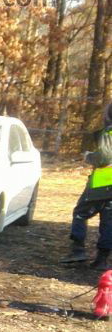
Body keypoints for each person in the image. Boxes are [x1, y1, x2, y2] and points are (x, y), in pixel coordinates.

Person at [62, 102, 112, 269]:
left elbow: (104, 158)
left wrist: (88, 156)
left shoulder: (109, 132)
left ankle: (78, 250)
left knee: (80, 213)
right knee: (108, 222)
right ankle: (102, 259)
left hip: (101, 186)